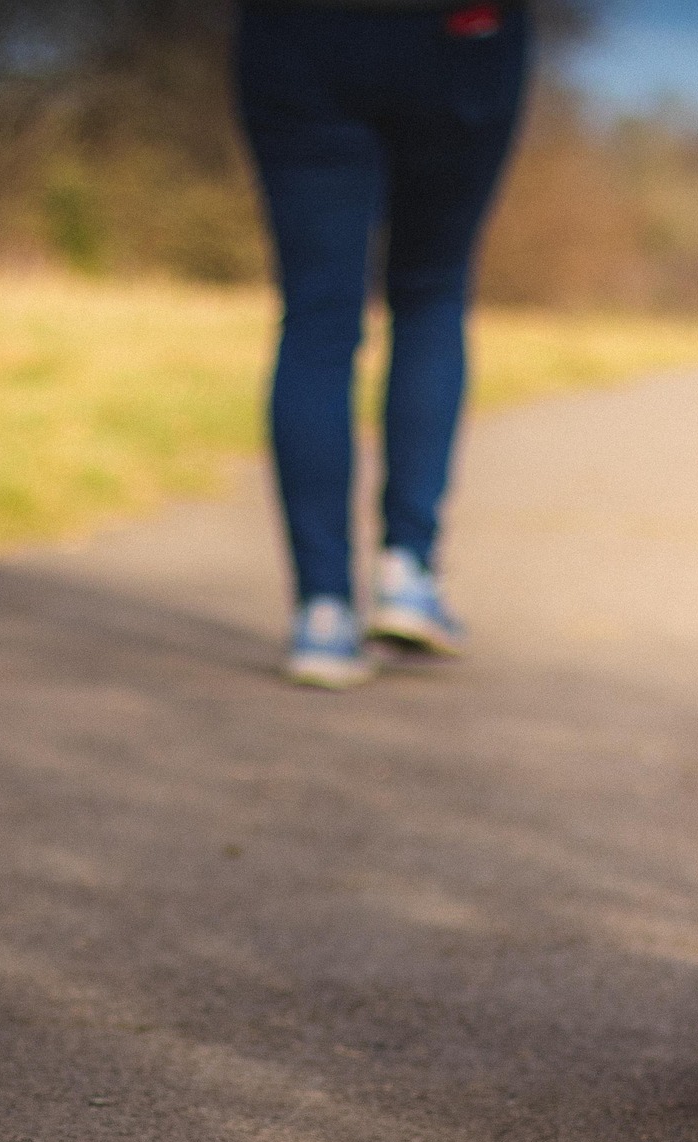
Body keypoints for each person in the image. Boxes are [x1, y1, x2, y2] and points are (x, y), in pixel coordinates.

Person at [234, 0, 531, 687]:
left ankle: (323, 613)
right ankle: (406, 572)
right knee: (431, 291)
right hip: (458, 34)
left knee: (317, 316)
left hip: (301, 35)